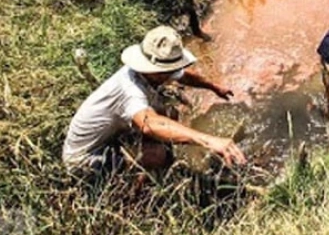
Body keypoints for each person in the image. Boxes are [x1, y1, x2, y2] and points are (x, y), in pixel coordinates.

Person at [62, 26, 246, 176]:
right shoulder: (130, 90)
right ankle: (137, 191)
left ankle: (148, 166)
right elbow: (149, 124)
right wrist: (208, 140)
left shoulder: (153, 71)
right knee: (158, 155)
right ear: (154, 71)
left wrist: (214, 87)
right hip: (85, 159)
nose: (173, 75)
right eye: (168, 72)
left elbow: (184, 76)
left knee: (171, 114)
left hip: (110, 136)